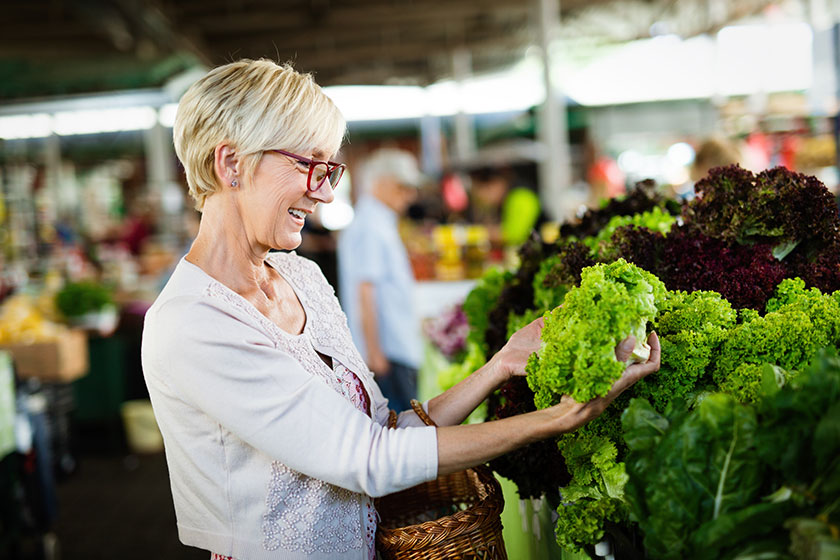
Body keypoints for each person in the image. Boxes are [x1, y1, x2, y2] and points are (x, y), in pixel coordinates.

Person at [141, 59, 661, 560]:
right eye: (307, 166)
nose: (321, 193)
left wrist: (501, 364)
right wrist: (555, 419)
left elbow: (382, 431)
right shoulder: (192, 323)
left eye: (329, 170)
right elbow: (367, 460)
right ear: (230, 163)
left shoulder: (302, 277)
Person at [337, 148, 423, 414]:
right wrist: (375, 352)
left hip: (394, 346)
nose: (409, 196)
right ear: (380, 183)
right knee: (402, 427)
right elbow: (365, 291)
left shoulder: (378, 221)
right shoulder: (369, 226)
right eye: (402, 187)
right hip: (388, 350)